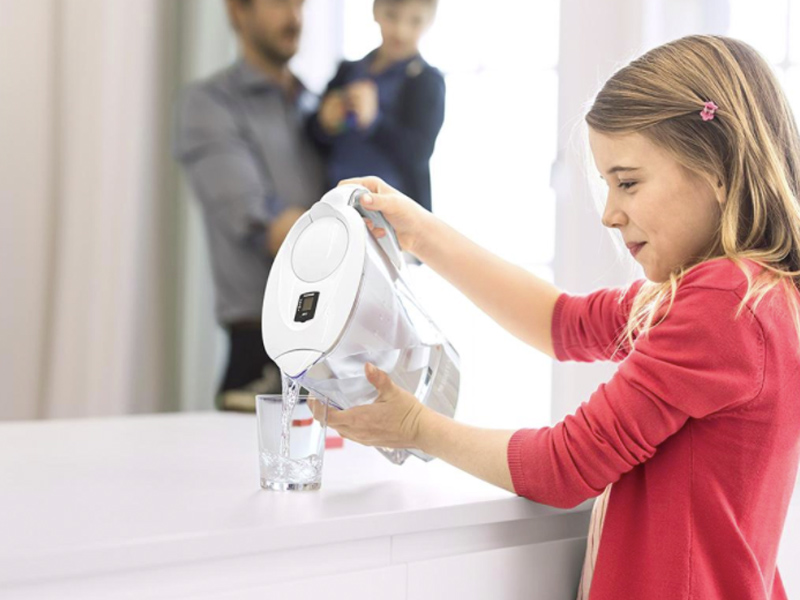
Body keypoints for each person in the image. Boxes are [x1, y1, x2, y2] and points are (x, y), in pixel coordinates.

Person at [308, 35, 800, 599]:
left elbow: (564, 467)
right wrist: (419, 231)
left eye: (628, 182)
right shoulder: (757, 297)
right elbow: (562, 322)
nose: (610, 214)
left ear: (715, 167)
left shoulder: (723, 303)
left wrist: (416, 427)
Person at [174, 0, 326, 411]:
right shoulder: (210, 104)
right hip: (259, 355)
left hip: (331, 357)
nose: (294, 16)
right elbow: (261, 222)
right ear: (237, 11)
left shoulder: (319, 109)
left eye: (300, 2)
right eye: (279, 2)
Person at [308, 0, 445, 213]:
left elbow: (419, 153)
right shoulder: (347, 72)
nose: (401, 31)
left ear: (430, 21)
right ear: (376, 11)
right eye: (391, 15)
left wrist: (374, 123)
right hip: (336, 203)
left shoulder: (427, 81)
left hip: (394, 215)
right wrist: (324, 124)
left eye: (415, 21)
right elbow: (313, 137)